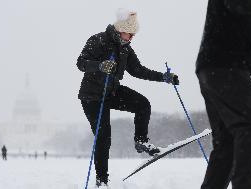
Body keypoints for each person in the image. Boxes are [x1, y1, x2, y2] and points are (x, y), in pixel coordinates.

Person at [77, 8, 179, 188]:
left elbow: (138, 70)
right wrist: (99, 65)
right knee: (103, 137)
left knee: (143, 104)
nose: (132, 37)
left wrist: (163, 77)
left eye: (133, 35)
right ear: (120, 30)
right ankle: (102, 181)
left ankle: (141, 141)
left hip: (112, 92)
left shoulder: (125, 49)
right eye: (129, 34)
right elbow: (81, 62)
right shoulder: (98, 40)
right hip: (92, 97)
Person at [196, 0, 251, 188]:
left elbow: (246, 32)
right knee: (249, 128)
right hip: (226, 68)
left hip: (213, 67)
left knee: (227, 143)